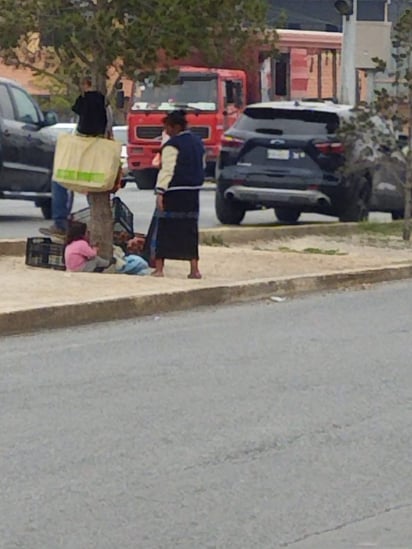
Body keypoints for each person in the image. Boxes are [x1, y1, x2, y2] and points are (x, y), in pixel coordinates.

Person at [40, 77, 113, 237]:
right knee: (92, 187)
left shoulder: (89, 102)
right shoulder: (105, 106)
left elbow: (84, 123)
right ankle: (93, 223)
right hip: (97, 152)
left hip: (83, 149)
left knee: (61, 181)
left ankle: (61, 224)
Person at [148, 110, 205, 278]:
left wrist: (160, 192)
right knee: (189, 230)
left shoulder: (172, 146)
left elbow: (167, 170)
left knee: (165, 229)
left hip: (174, 192)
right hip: (193, 192)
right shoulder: (198, 142)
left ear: (176, 127)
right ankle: (194, 269)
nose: (166, 131)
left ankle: (159, 269)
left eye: (167, 127)